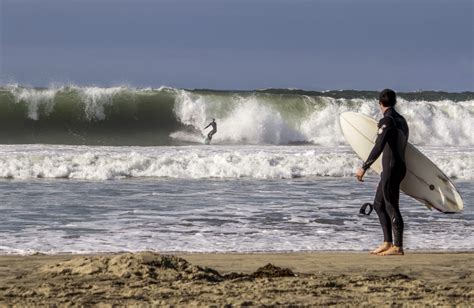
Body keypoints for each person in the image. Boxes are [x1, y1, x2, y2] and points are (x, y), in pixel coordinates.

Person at [355, 89, 409, 256]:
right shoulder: (402, 121)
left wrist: (364, 167)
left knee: (391, 205)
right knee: (379, 205)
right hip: (397, 167)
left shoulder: (387, 120)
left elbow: (379, 146)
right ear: (395, 102)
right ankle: (387, 242)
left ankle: (398, 247)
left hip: (392, 168)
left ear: (380, 103)